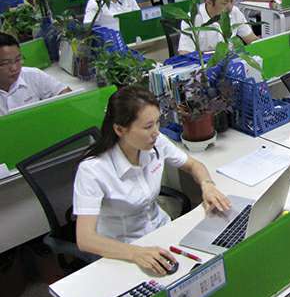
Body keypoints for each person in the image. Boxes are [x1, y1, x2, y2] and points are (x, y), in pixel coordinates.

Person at [74, 86, 232, 275]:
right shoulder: (93, 170)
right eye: (148, 126)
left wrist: (207, 185)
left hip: (161, 232)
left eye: (157, 122)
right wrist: (135, 253)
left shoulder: (156, 142)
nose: (156, 132)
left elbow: (193, 165)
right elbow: (85, 239)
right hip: (123, 249)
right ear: (119, 129)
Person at [178, 0, 258, 54]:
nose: (230, 7)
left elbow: (252, 40)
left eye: (232, 1)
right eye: (224, 3)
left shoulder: (235, 12)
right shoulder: (192, 19)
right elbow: (184, 53)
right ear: (209, 2)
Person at [0, 33, 71, 115]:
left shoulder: (32, 75)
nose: (14, 68)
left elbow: (66, 94)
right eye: (5, 63)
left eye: (18, 60)